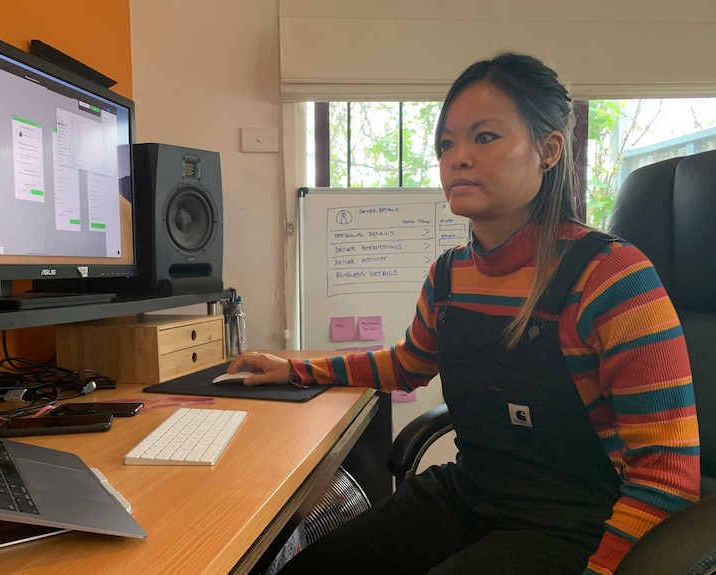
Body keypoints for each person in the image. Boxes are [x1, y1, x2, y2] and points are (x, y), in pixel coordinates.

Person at [227, 52, 700, 575]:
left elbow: (667, 475)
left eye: (485, 137)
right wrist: (295, 369)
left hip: (574, 522)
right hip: (472, 493)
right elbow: (407, 364)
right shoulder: (449, 276)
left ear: (548, 150)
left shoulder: (612, 279)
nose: (459, 157)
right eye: (447, 143)